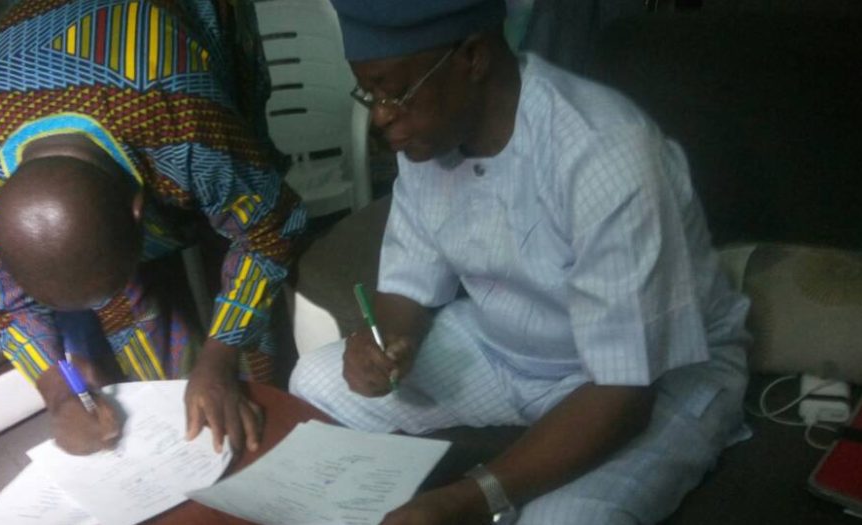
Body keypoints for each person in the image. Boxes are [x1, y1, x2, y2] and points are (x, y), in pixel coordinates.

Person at [289, 1, 751, 524]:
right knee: (317, 383)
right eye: (370, 95)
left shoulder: (604, 151)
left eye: (394, 92)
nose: (381, 116)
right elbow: (408, 280)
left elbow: (625, 392)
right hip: (508, 349)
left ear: (473, 57)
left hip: (652, 377)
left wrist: (464, 499)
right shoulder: (427, 136)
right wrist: (383, 343)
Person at [0, 0, 305, 460]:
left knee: (232, 241)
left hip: (186, 34)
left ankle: (267, 414)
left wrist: (220, 358)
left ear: (138, 211)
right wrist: (58, 393)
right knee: (127, 305)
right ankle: (185, 441)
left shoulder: (186, 117)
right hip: (60, 78)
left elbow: (268, 229)